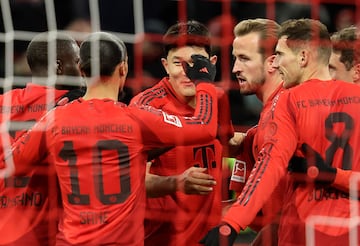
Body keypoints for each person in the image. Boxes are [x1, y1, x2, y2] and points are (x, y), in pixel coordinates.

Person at [0, 31, 220, 246]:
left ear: (81, 69)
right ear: (124, 68)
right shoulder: (137, 118)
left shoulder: (55, 119)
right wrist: (204, 83)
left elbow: (12, 164)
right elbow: (204, 127)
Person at [201, 18, 360, 246]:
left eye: (281, 55)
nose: (277, 63)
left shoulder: (289, 100)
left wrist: (232, 223)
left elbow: (271, 165)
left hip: (303, 234)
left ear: (303, 57)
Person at [129, 20, 235, 246]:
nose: (188, 73)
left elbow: (227, 146)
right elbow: (133, 180)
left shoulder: (218, 98)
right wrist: (175, 183)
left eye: (196, 63)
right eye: (178, 63)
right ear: (165, 65)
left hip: (211, 237)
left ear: (212, 63)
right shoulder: (145, 106)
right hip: (161, 239)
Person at [0, 32, 81, 246]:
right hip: (47, 234)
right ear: (59, 67)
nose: (82, 69)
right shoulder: (77, 108)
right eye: (77, 61)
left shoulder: (3, 103)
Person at [227, 18, 285, 245]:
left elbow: (292, 210)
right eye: (235, 58)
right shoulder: (269, 115)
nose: (235, 68)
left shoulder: (283, 112)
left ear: (272, 63)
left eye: (244, 59)